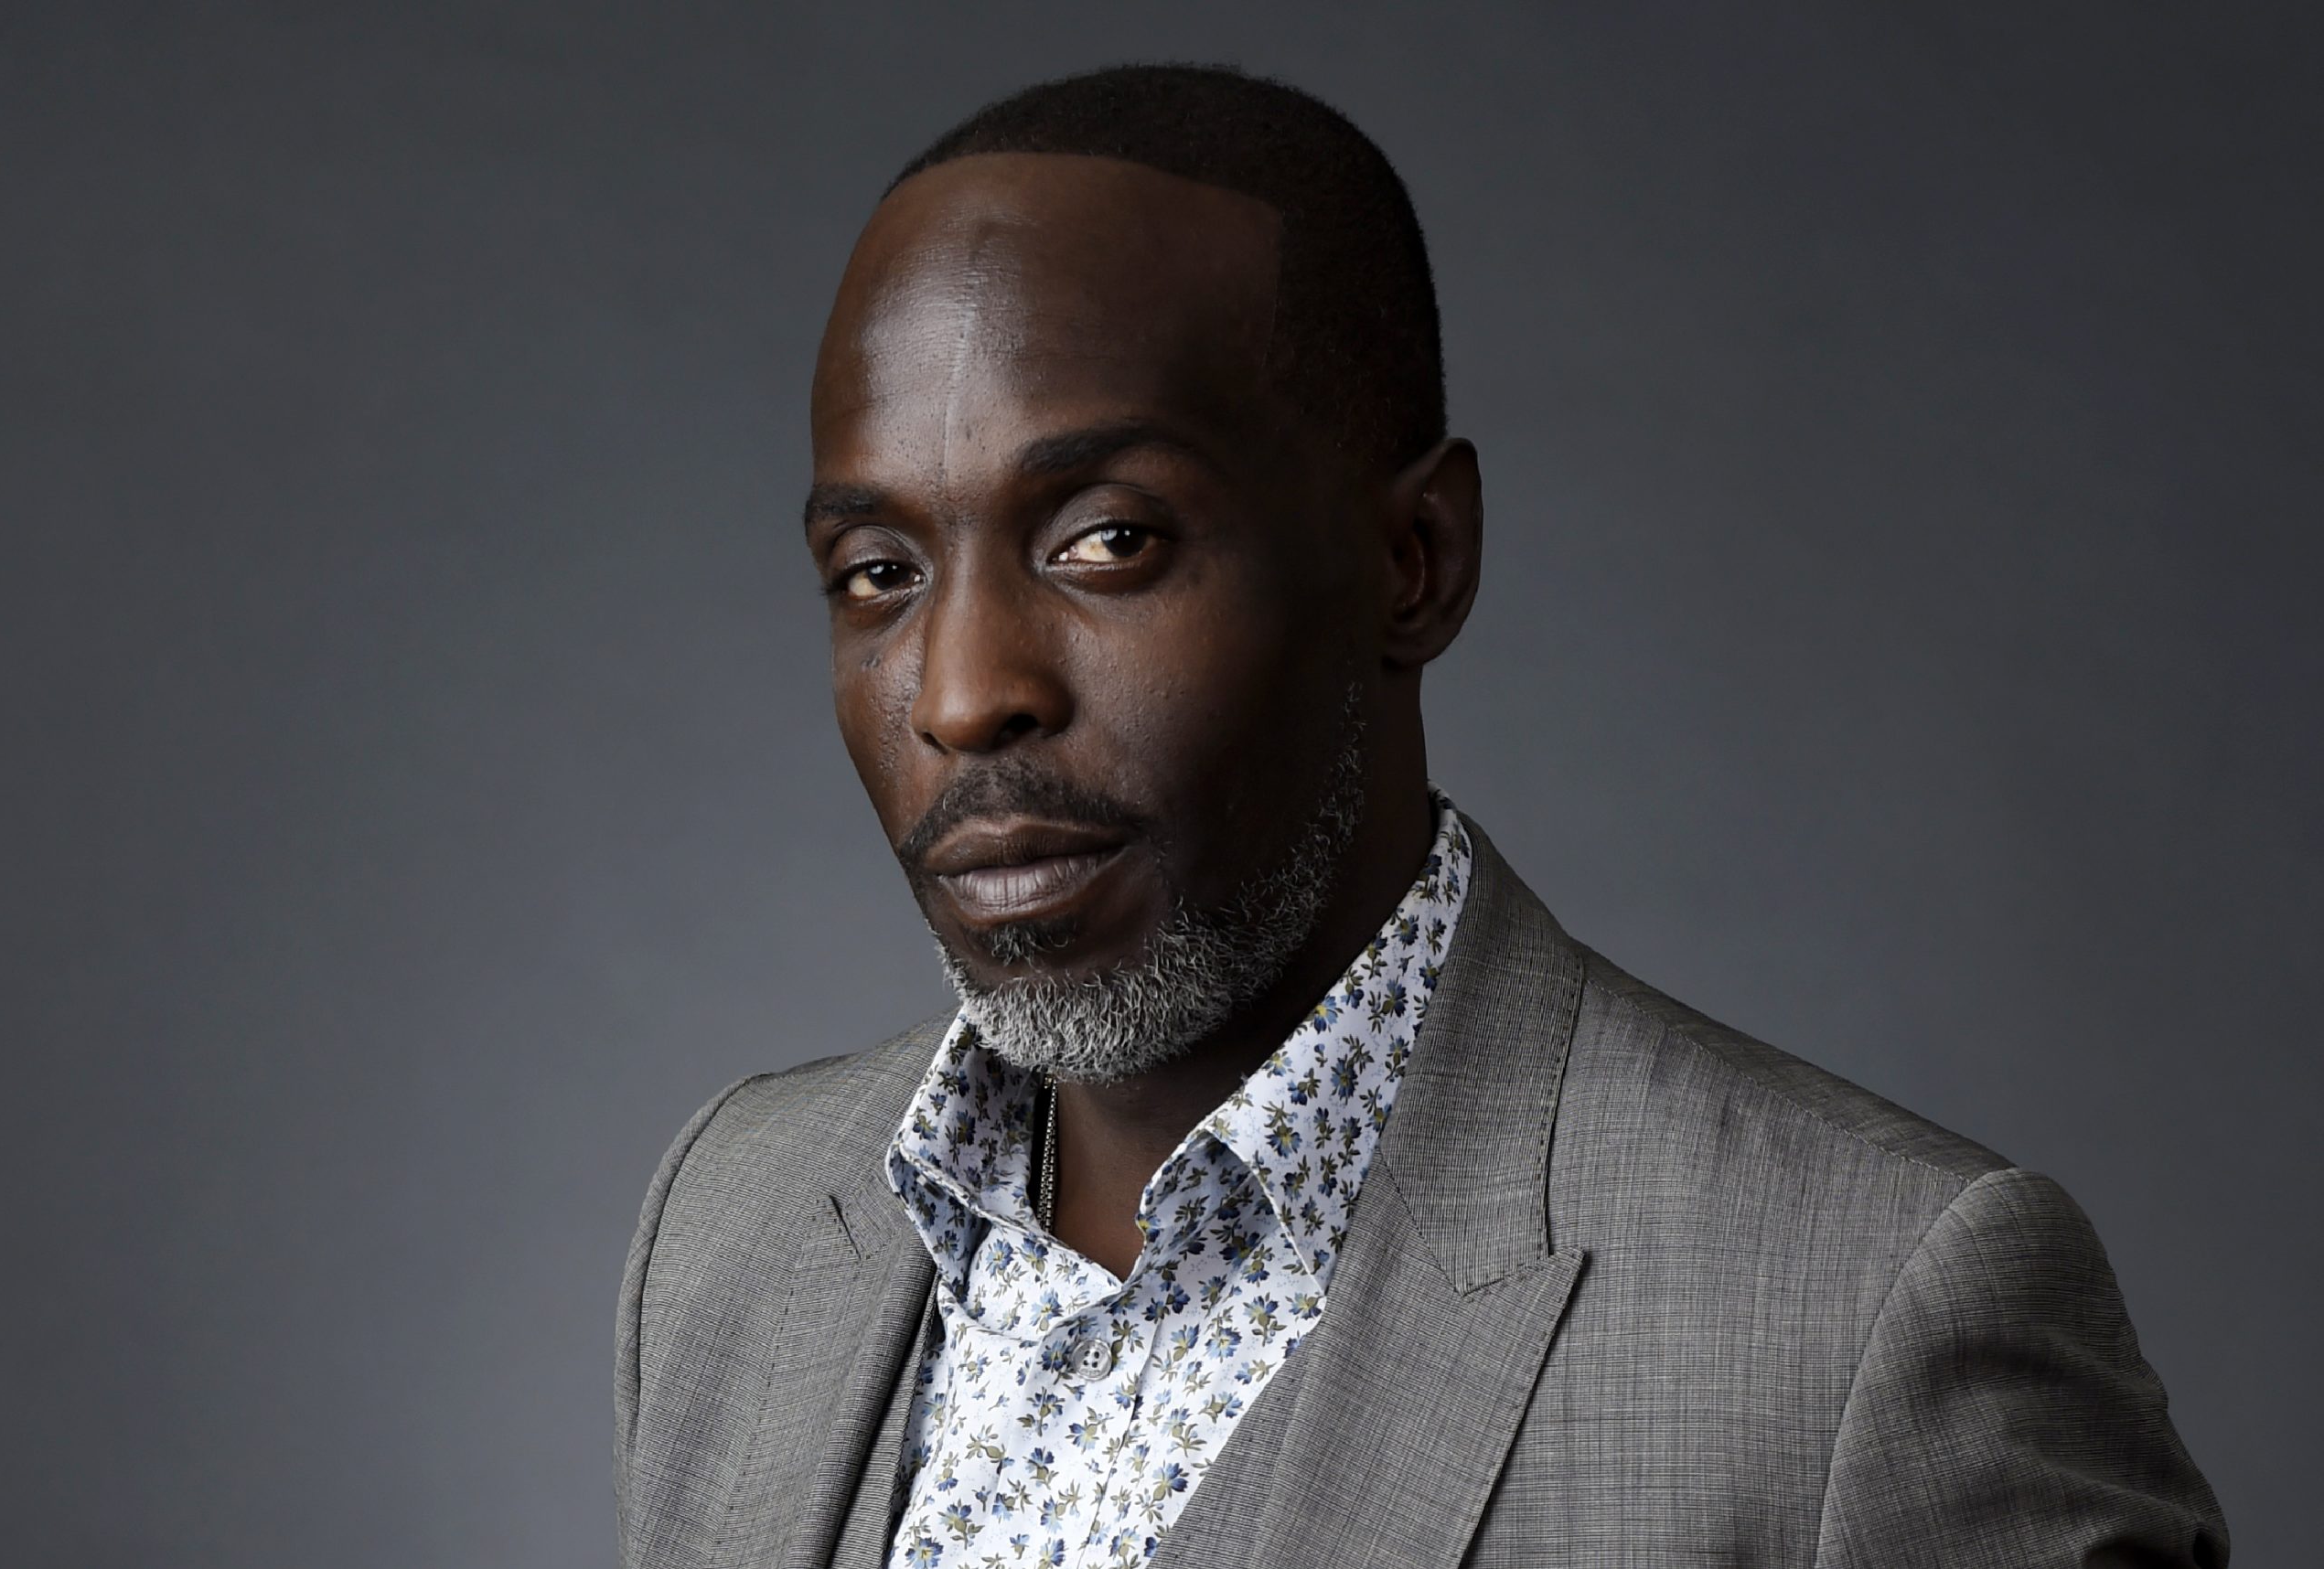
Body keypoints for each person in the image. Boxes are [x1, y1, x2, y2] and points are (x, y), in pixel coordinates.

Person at [613, 64, 2227, 1569]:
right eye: (879, 576)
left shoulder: (1874, 1324)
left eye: (1107, 540)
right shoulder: (733, 1222)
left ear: (1416, 562)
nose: (963, 693)